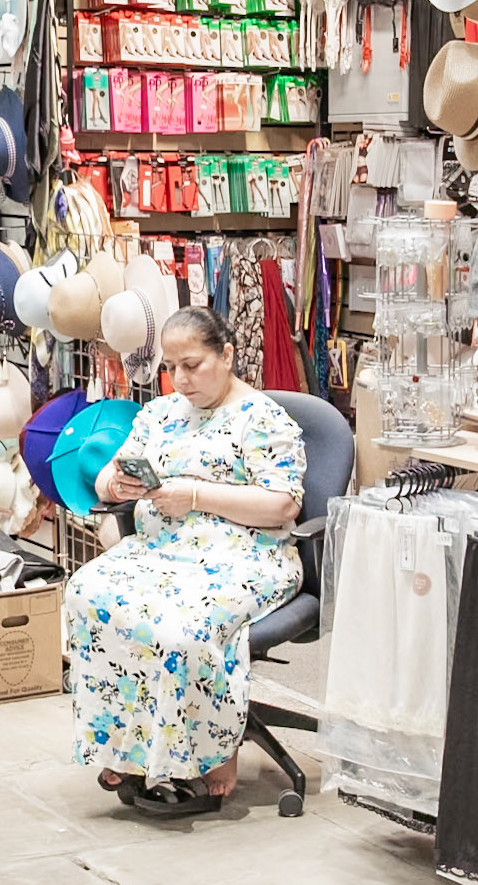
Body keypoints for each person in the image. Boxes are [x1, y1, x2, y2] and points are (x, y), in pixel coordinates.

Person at [68, 306, 307, 816]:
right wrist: (116, 483)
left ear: (227, 355)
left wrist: (196, 496)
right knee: (89, 594)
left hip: (245, 556)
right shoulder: (159, 415)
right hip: (161, 552)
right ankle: (126, 748)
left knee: (181, 625)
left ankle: (213, 749)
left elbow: (283, 504)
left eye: (193, 364)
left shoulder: (263, 419)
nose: (180, 379)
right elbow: (108, 473)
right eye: (171, 366)